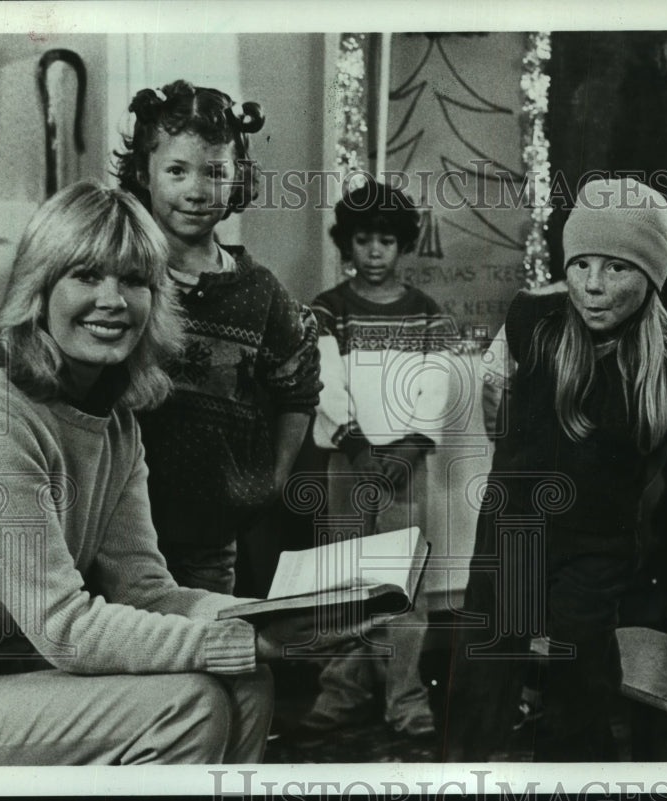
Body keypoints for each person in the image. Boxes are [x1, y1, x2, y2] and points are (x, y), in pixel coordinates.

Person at [0, 181, 336, 765]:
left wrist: (271, 622)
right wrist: (234, 640)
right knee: (189, 704)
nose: (113, 300)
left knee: (248, 678)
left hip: (18, 671)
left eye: (134, 280)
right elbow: (65, 627)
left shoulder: (115, 422)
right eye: (85, 275)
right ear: (39, 290)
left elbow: (148, 592)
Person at [444, 177, 667, 762]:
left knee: (580, 664)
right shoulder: (532, 320)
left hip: (598, 539)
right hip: (515, 524)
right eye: (581, 263)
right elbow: (496, 404)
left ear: (652, 276)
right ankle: (466, 772)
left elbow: (663, 446)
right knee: (488, 658)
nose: (591, 283)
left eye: (616, 268)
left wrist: (617, 501)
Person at [113, 79, 321, 596]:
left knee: (209, 652)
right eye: (176, 170)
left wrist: (275, 478)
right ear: (144, 173)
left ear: (237, 180)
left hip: (211, 534)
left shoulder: (259, 292)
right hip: (114, 525)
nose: (196, 190)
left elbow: (299, 386)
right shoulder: (119, 274)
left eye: (215, 172)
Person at [296, 180, 450, 739]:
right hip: (350, 462)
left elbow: (435, 385)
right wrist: (357, 446)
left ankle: (406, 699)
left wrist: (410, 446)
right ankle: (342, 689)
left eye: (387, 240)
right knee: (344, 579)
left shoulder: (426, 314)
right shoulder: (329, 310)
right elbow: (325, 380)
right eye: (364, 240)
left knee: (402, 583)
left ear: (404, 246)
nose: (376, 252)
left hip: (406, 467)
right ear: (347, 244)